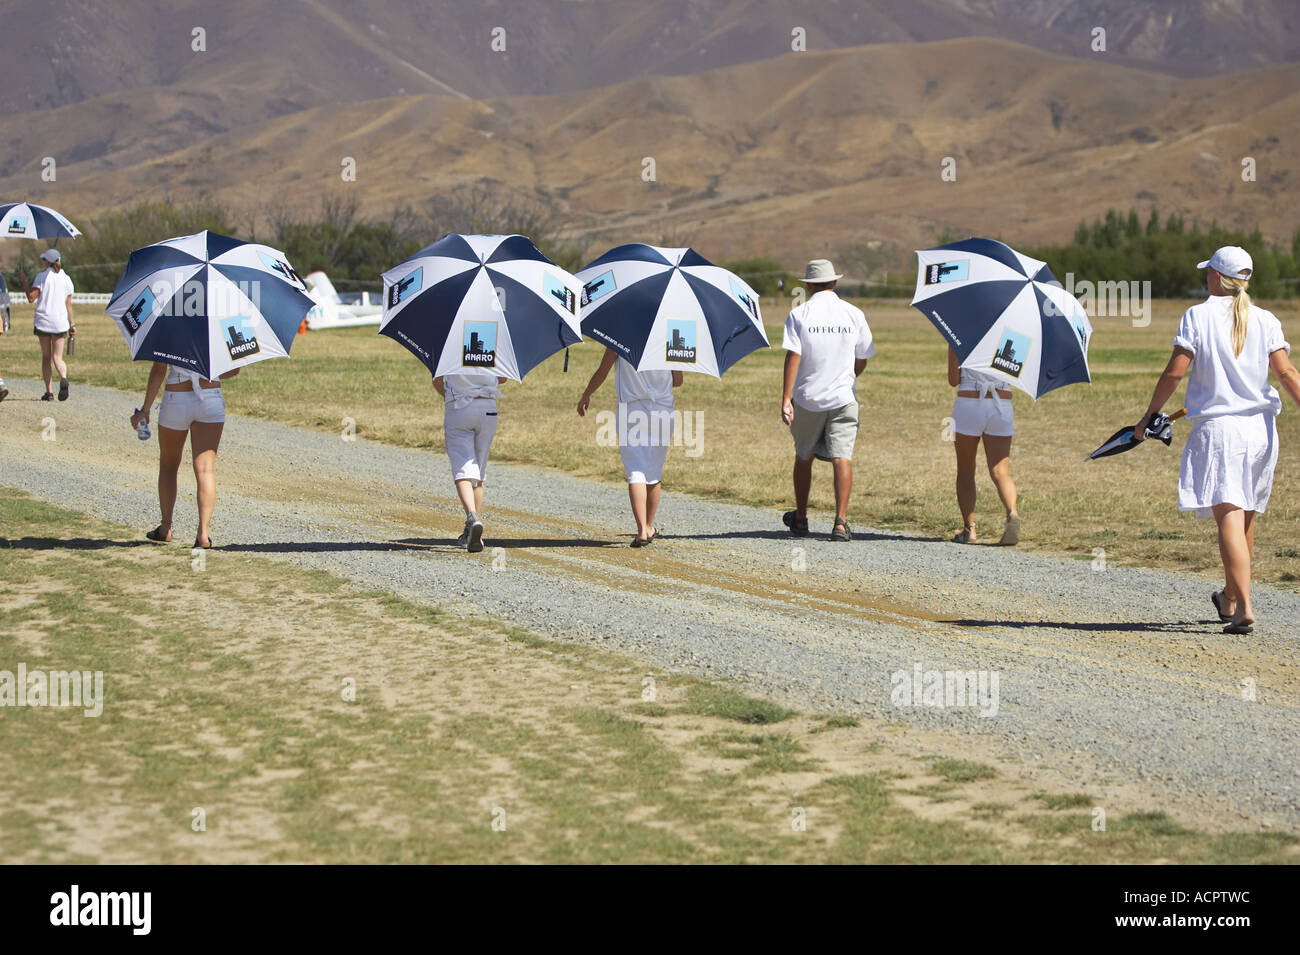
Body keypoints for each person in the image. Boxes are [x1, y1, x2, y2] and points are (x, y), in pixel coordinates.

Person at [1134, 246, 1300, 634]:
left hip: (1220, 431)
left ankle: (1244, 609)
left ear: (1217, 278)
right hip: (1261, 431)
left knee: (1228, 515)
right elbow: (1287, 373)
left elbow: (1175, 373)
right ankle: (1229, 596)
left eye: (1208, 271)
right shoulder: (1266, 319)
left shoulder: (1198, 315)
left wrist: (1148, 416)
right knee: (1244, 520)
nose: (1205, 277)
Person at [779, 259, 874, 541]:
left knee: (803, 455)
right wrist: (849, 377)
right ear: (834, 283)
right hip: (844, 397)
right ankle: (841, 522)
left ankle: (801, 517)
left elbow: (793, 356)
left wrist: (786, 398)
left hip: (808, 398)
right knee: (842, 457)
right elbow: (862, 357)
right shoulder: (854, 313)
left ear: (808, 285)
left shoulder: (800, 314)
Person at [578, 348, 683, 546]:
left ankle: (642, 529)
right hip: (663, 410)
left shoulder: (620, 337)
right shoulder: (667, 336)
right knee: (654, 470)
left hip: (632, 409)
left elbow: (603, 370)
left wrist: (586, 394)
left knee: (636, 469)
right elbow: (678, 381)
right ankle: (650, 526)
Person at [130, 363, 238, 549]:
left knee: (168, 465)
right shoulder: (217, 332)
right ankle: (203, 533)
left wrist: (145, 409)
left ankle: (165, 528)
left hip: (176, 399)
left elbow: (159, 370)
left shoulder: (170, 331)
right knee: (205, 470)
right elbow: (233, 370)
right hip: (210, 398)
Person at [947, 347, 1021, 544]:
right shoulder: (1016, 335)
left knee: (965, 469)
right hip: (1002, 405)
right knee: (1001, 471)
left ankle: (969, 529)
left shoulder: (960, 332)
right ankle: (1012, 512)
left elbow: (953, 380)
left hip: (969, 403)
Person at [434, 370, 507, 552]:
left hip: (459, 406)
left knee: (463, 467)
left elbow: (437, 380)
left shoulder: (450, 346)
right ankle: (473, 530)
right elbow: (503, 378)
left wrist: (449, 396)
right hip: (488, 408)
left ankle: (472, 517)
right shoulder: (494, 344)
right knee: (479, 472)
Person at [19, 248, 75, 401]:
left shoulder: (41, 277)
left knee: (46, 357)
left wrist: (24, 282)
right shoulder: (67, 279)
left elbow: (31, 298)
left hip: (43, 321)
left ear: (48, 262)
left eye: (44, 260)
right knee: (58, 357)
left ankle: (49, 392)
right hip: (60, 323)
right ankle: (63, 377)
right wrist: (72, 324)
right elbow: (68, 305)